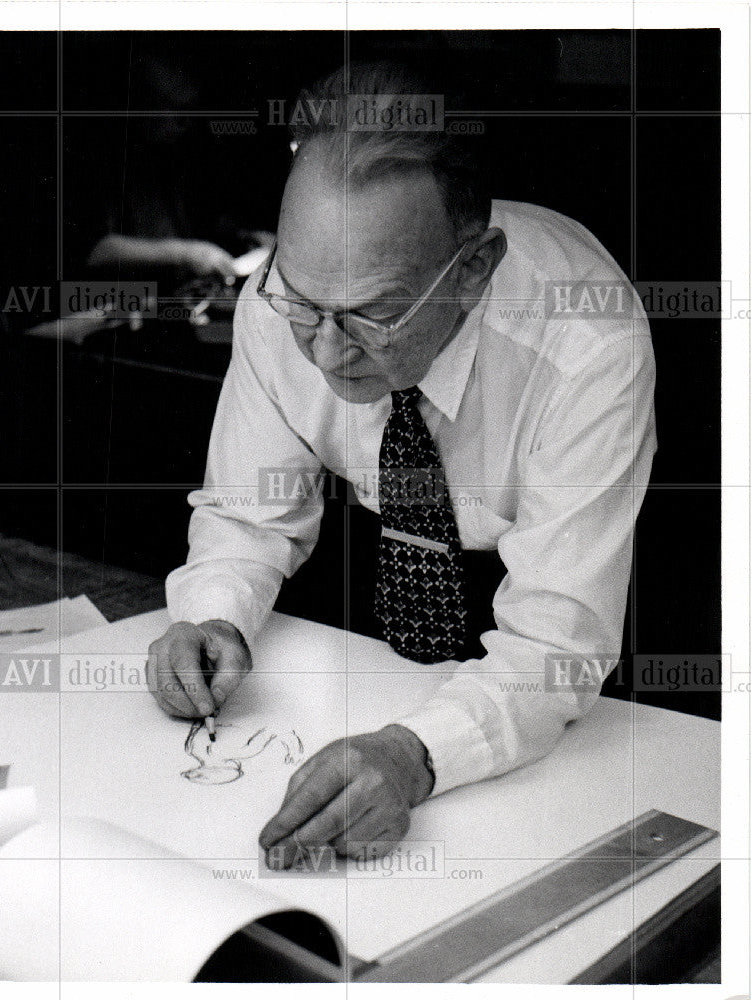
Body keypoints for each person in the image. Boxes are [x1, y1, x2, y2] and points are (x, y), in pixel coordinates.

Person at [147, 63, 656, 868]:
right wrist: (213, 614)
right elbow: (248, 515)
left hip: (578, 661)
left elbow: (558, 642)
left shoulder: (588, 347)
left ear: (474, 268)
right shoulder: (280, 306)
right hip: (375, 627)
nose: (322, 348)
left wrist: (415, 755)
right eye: (304, 304)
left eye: (372, 315)